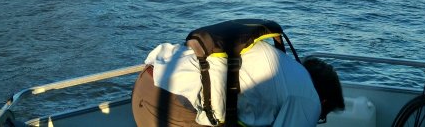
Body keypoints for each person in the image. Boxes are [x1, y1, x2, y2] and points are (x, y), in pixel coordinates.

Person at [132, 39, 344, 127]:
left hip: (148, 80)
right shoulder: (309, 98)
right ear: (323, 101)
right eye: (322, 117)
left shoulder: (285, 68)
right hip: (174, 104)